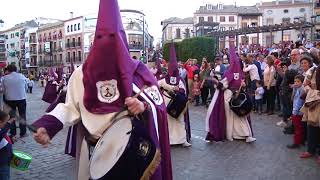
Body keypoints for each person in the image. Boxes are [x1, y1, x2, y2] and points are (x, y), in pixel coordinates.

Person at [32, 0, 172, 179]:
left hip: (131, 151)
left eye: (113, 38)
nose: (107, 43)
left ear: (122, 40)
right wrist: (47, 126)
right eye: (100, 38)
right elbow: (69, 108)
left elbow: (157, 103)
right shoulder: (81, 74)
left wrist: (143, 105)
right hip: (95, 153)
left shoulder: (138, 71)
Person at [205, 38, 256, 143]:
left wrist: (242, 86)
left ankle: (245, 135)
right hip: (228, 96)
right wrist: (215, 81)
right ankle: (232, 134)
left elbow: (241, 83)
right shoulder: (229, 73)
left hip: (238, 96)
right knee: (231, 117)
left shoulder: (239, 72)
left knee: (241, 116)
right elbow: (223, 86)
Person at [158, 44, 191, 147]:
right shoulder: (163, 79)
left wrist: (178, 89)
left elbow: (183, 89)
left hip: (177, 103)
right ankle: (169, 140)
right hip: (166, 101)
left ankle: (182, 140)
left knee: (180, 120)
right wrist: (167, 87)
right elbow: (156, 86)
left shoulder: (180, 79)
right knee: (167, 122)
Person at [2, 64, 28, 139]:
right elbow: (25, 87)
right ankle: (23, 132)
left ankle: (13, 132)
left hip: (9, 99)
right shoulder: (22, 76)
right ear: (16, 70)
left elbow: (3, 90)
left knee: (11, 116)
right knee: (22, 115)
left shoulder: (4, 78)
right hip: (21, 98)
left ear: (8, 70)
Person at [287, 75, 305, 149]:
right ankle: (300, 141)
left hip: (297, 112)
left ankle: (296, 143)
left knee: (297, 128)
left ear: (302, 82)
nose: (296, 83)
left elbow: (299, 102)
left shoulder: (301, 90)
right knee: (300, 127)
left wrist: (294, 112)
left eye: (298, 81)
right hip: (298, 111)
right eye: (295, 81)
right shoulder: (298, 88)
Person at [0, 110, 15, 180]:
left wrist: (11, 139)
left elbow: (3, 138)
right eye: (5, 122)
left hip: (6, 160)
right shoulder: (2, 130)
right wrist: (8, 124)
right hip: (2, 163)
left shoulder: (1, 129)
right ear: (0, 122)